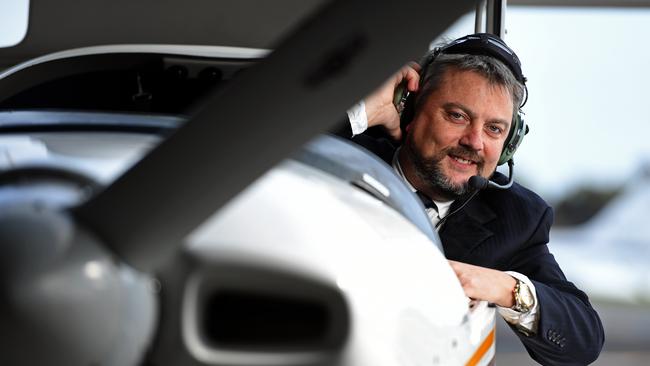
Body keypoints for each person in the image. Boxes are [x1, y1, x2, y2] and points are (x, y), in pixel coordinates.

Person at [337, 33, 604, 365]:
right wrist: (363, 111)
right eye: (457, 116)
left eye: (494, 129)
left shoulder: (517, 218)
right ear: (411, 111)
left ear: (509, 143)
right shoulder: (337, 158)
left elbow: (584, 339)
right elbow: (259, 153)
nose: (475, 143)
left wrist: (505, 288)